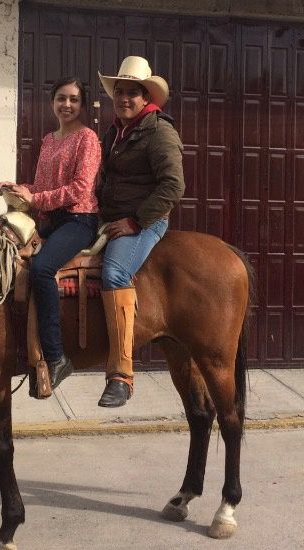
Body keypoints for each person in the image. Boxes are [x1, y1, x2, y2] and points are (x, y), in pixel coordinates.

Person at [0, 77, 101, 390]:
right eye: (61, 98)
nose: (66, 105)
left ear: (81, 105)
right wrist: (19, 189)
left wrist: (35, 199)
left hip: (78, 220)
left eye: (73, 99)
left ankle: (56, 356)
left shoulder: (88, 138)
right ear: (52, 102)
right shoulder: (49, 140)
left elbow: (80, 189)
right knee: (1, 249)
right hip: (49, 220)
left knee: (42, 269)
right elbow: (41, 188)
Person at [96, 56, 185, 407]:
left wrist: (135, 221)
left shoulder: (159, 131)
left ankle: (121, 375)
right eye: (120, 92)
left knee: (115, 271)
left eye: (133, 92)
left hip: (145, 221)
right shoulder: (115, 131)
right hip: (109, 216)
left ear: (146, 96)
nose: (125, 99)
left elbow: (173, 186)